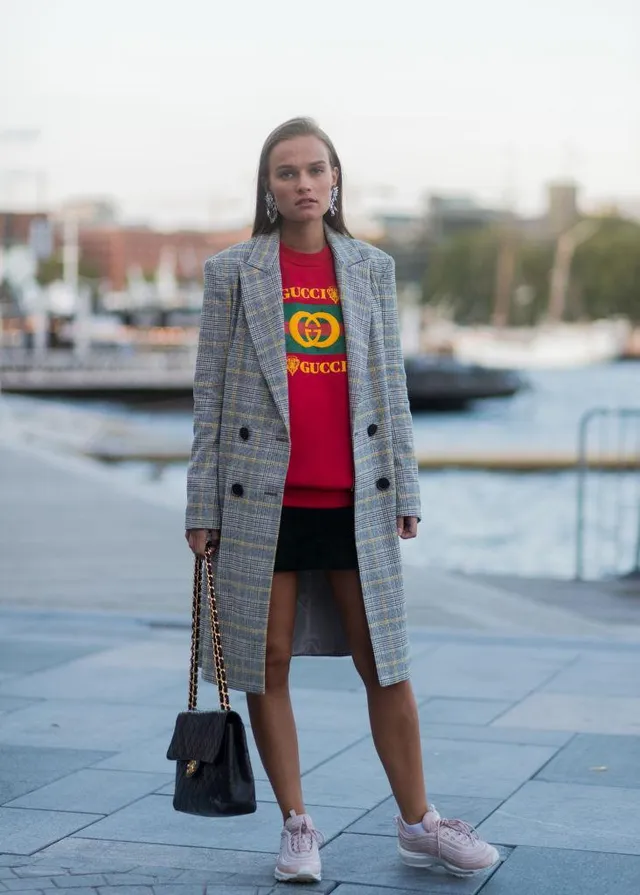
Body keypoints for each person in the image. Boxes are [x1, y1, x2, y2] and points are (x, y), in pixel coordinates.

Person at [185, 117, 499, 884]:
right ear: (268, 187)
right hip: (260, 497)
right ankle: (297, 825)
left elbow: (391, 386)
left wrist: (406, 484)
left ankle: (420, 823)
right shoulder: (233, 272)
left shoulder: (370, 268)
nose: (303, 183)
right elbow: (210, 395)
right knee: (267, 662)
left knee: (384, 661)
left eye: (315, 169)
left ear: (335, 181)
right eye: (286, 172)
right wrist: (202, 505)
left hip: (356, 496)